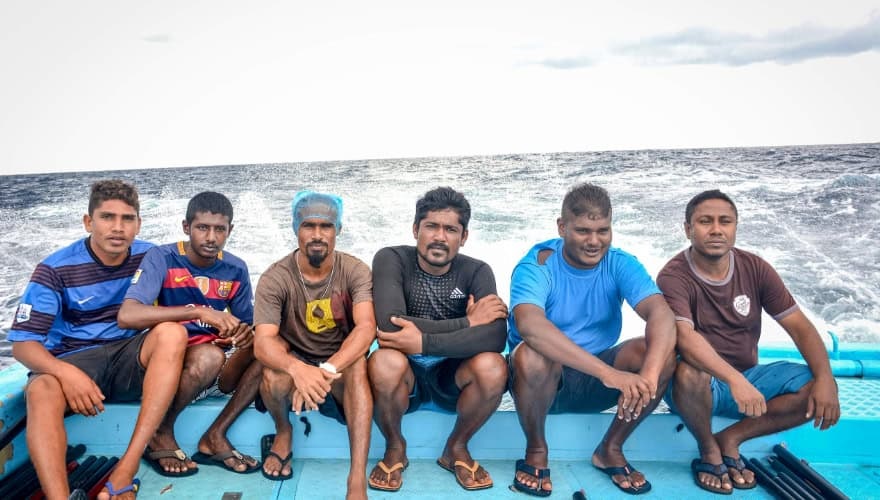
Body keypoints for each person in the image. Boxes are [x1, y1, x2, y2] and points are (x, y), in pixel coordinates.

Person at [9, 180, 188, 500]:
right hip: (74, 358)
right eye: (107, 217)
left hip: (129, 356)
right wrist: (67, 373)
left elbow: (190, 302)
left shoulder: (153, 257)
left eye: (127, 219)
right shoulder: (55, 268)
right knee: (41, 389)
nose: (117, 228)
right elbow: (23, 344)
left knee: (173, 332)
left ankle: (125, 470)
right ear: (88, 222)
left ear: (138, 224)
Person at [656, 189, 840, 495]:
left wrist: (826, 378)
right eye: (705, 221)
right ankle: (709, 451)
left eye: (725, 221)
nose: (716, 229)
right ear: (688, 229)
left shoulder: (755, 268)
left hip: (747, 376)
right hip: (697, 387)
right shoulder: (673, 276)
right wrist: (733, 379)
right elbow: (685, 339)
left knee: (816, 386)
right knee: (689, 371)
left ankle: (730, 438)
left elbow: (800, 328)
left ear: (735, 227)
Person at [508, 182, 676, 496]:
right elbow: (530, 326)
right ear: (562, 227)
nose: (594, 241)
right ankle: (536, 450)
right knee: (533, 354)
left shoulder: (620, 262)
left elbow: (662, 315)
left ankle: (610, 448)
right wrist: (609, 374)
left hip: (596, 379)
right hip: (541, 384)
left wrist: (649, 376)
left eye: (603, 231)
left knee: (659, 350)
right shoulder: (537, 265)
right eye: (583, 231)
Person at [367, 187, 508, 492]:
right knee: (383, 361)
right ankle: (395, 446)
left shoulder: (477, 271)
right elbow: (390, 325)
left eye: (450, 229)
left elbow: (496, 335)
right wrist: (469, 323)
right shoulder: (392, 259)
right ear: (416, 229)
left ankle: (456, 447)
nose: (440, 237)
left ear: (464, 236)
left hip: (452, 376)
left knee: (493, 366)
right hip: (406, 377)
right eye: (431, 226)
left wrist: (424, 343)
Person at [117, 191, 261, 476]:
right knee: (208, 356)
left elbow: (248, 324)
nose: (211, 237)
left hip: (215, 361)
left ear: (230, 230)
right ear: (186, 227)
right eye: (202, 228)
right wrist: (196, 312)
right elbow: (128, 315)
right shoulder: (162, 257)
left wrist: (242, 335)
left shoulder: (235, 268)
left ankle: (215, 434)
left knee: (269, 348)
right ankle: (161, 430)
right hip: (167, 362)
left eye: (220, 229)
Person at [253, 191, 374, 500]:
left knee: (359, 362)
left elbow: (366, 328)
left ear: (339, 230)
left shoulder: (355, 271)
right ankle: (283, 432)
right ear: (296, 228)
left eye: (327, 226)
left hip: (339, 367)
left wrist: (328, 369)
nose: (318, 234)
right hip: (298, 366)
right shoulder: (276, 277)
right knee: (271, 373)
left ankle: (356, 478)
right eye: (309, 225)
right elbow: (263, 342)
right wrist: (298, 368)